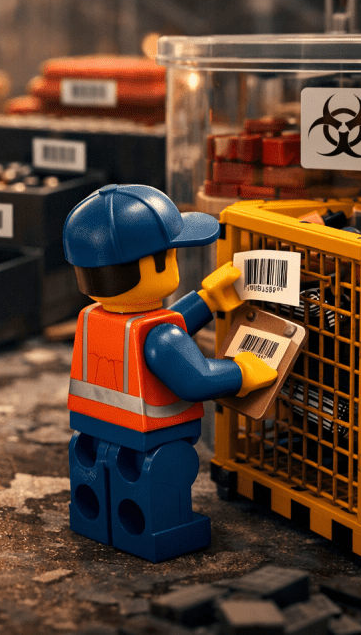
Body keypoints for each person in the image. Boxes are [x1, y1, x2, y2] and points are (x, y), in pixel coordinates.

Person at [62, 184, 276, 562]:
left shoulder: (94, 319)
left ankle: (95, 520)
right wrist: (243, 371)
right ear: (156, 262)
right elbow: (195, 379)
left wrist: (207, 300)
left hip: (94, 433)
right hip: (156, 442)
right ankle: (164, 530)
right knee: (165, 476)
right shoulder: (159, 336)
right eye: (172, 254)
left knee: (100, 479)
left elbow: (158, 324)